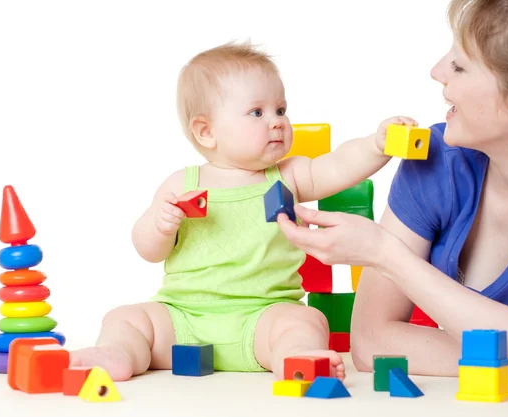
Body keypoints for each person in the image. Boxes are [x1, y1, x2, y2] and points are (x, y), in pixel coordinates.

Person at [277, 0, 508, 394]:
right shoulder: (437, 161)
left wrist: (385, 253)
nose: (436, 71)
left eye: (460, 65)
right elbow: (370, 343)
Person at [69, 40, 414, 381]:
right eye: (257, 112)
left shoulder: (289, 175)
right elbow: (147, 249)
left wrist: (376, 144)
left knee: (305, 322)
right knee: (126, 318)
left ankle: (296, 359)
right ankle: (118, 352)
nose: (277, 121)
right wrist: (159, 226)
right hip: (183, 319)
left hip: (262, 318)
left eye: (281, 110)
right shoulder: (181, 184)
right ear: (206, 132)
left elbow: (338, 166)